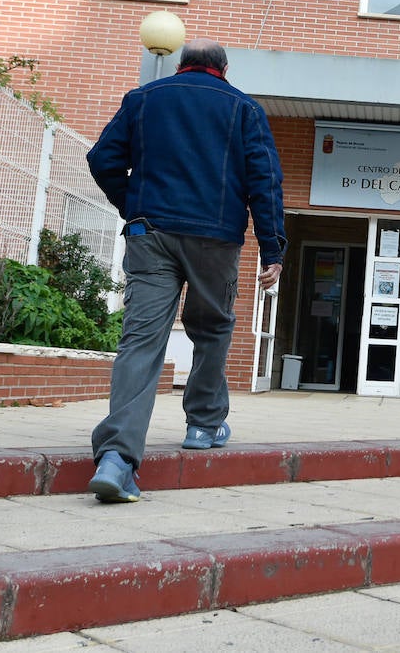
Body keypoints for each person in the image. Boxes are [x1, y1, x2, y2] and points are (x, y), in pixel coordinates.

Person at [86, 37, 286, 503]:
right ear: (225, 68)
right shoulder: (244, 109)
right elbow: (265, 182)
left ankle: (117, 458)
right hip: (215, 238)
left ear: (180, 65)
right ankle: (203, 424)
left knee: (141, 337)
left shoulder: (143, 99)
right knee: (212, 327)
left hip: (149, 232)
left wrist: (132, 204)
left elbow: (102, 159)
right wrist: (273, 248)